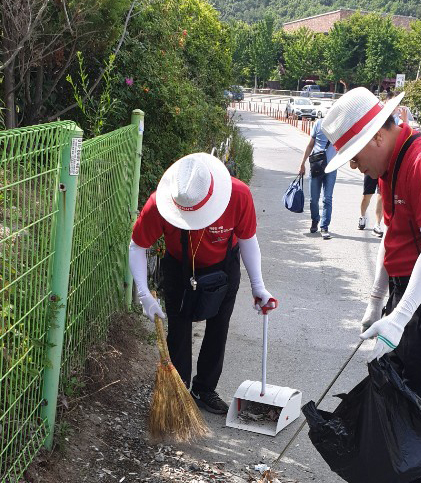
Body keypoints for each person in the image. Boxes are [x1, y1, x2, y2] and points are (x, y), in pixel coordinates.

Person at [321, 86, 421, 483]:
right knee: (388, 387)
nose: (355, 166)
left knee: (417, 403)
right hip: (409, 290)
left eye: (356, 156)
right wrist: (378, 300)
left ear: (378, 136)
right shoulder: (391, 167)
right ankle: (377, 480)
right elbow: (391, 237)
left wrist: (401, 317)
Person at [129, 152, 278, 415]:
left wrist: (258, 286)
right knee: (178, 327)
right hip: (179, 267)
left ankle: (204, 388)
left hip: (224, 266)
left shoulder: (238, 195)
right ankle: (178, 391)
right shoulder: (159, 203)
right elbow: (137, 245)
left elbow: (247, 239)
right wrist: (144, 294)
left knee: (219, 326)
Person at [298, 118, 337, 239]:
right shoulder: (318, 124)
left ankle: (324, 227)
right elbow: (310, 145)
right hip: (316, 165)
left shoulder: (339, 127)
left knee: (327, 198)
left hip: (331, 167)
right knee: (313, 199)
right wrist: (302, 163)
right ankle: (315, 220)